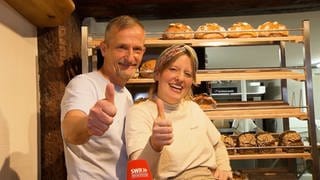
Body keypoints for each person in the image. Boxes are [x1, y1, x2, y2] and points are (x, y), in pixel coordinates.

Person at [125, 44, 232, 180]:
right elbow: (138, 174)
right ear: (157, 74)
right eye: (173, 69)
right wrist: (154, 144)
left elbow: (217, 144)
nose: (180, 78)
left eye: (187, 74)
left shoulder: (193, 108)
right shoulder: (140, 113)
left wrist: (224, 166)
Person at [60, 15, 146, 180]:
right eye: (122, 47)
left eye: (137, 49)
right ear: (104, 49)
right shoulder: (83, 84)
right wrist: (90, 123)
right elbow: (70, 131)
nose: (130, 57)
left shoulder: (126, 95)